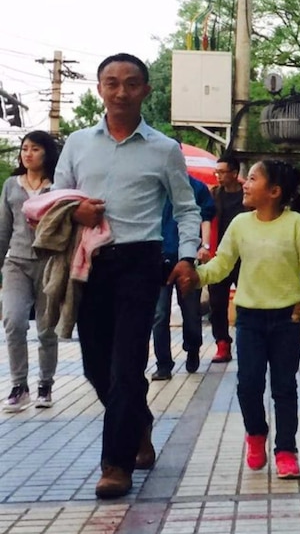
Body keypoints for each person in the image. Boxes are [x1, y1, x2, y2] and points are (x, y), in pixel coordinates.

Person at [53, 53, 201, 498]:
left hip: (141, 262)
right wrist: (73, 209)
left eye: (131, 83)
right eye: (112, 83)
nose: (121, 92)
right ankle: (138, 424)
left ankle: (115, 465)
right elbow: (57, 198)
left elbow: (186, 207)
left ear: (146, 90)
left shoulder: (163, 148)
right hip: (90, 263)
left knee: (126, 365)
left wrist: (187, 257)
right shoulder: (78, 143)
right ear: (99, 88)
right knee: (96, 365)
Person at [186, 160, 300, 479]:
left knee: (284, 387)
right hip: (249, 320)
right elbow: (221, 265)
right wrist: (196, 276)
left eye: (252, 178)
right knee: (248, 384)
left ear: (274, 192)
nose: (244, 184)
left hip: (287, 319)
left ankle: (286, 451)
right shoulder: (239, 224)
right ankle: (256, 434)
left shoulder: (296, 224)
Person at [0, 131, 60, 412]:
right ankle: (19, 385)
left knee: (47, 328)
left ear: (46, 153)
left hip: (49, 263)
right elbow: (3, 228)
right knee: (13, 321)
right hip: (16, 263)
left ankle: (45, 384)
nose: (27, 154)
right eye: (24, 149)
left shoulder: (59, 186)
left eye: (35, 149)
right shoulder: (11, 185)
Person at [151, 174, 215, 380]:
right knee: (159, 314)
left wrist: (204, 246)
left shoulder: (196, 187)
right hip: (158, 257)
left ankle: (193, 346)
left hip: (187, 257)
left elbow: (206, 217)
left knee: (191, 311)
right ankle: (163, 364)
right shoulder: (152, 185)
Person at [209, 155, 250, 364]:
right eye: (216, 172)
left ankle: (247, 341)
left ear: (234, 173)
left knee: (246, 301)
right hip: (220, 256)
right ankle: (222, 344)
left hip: (245, 257)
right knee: (217, 303)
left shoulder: (250, 194)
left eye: (222, 172)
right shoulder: (213, 195)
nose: (218, 176)